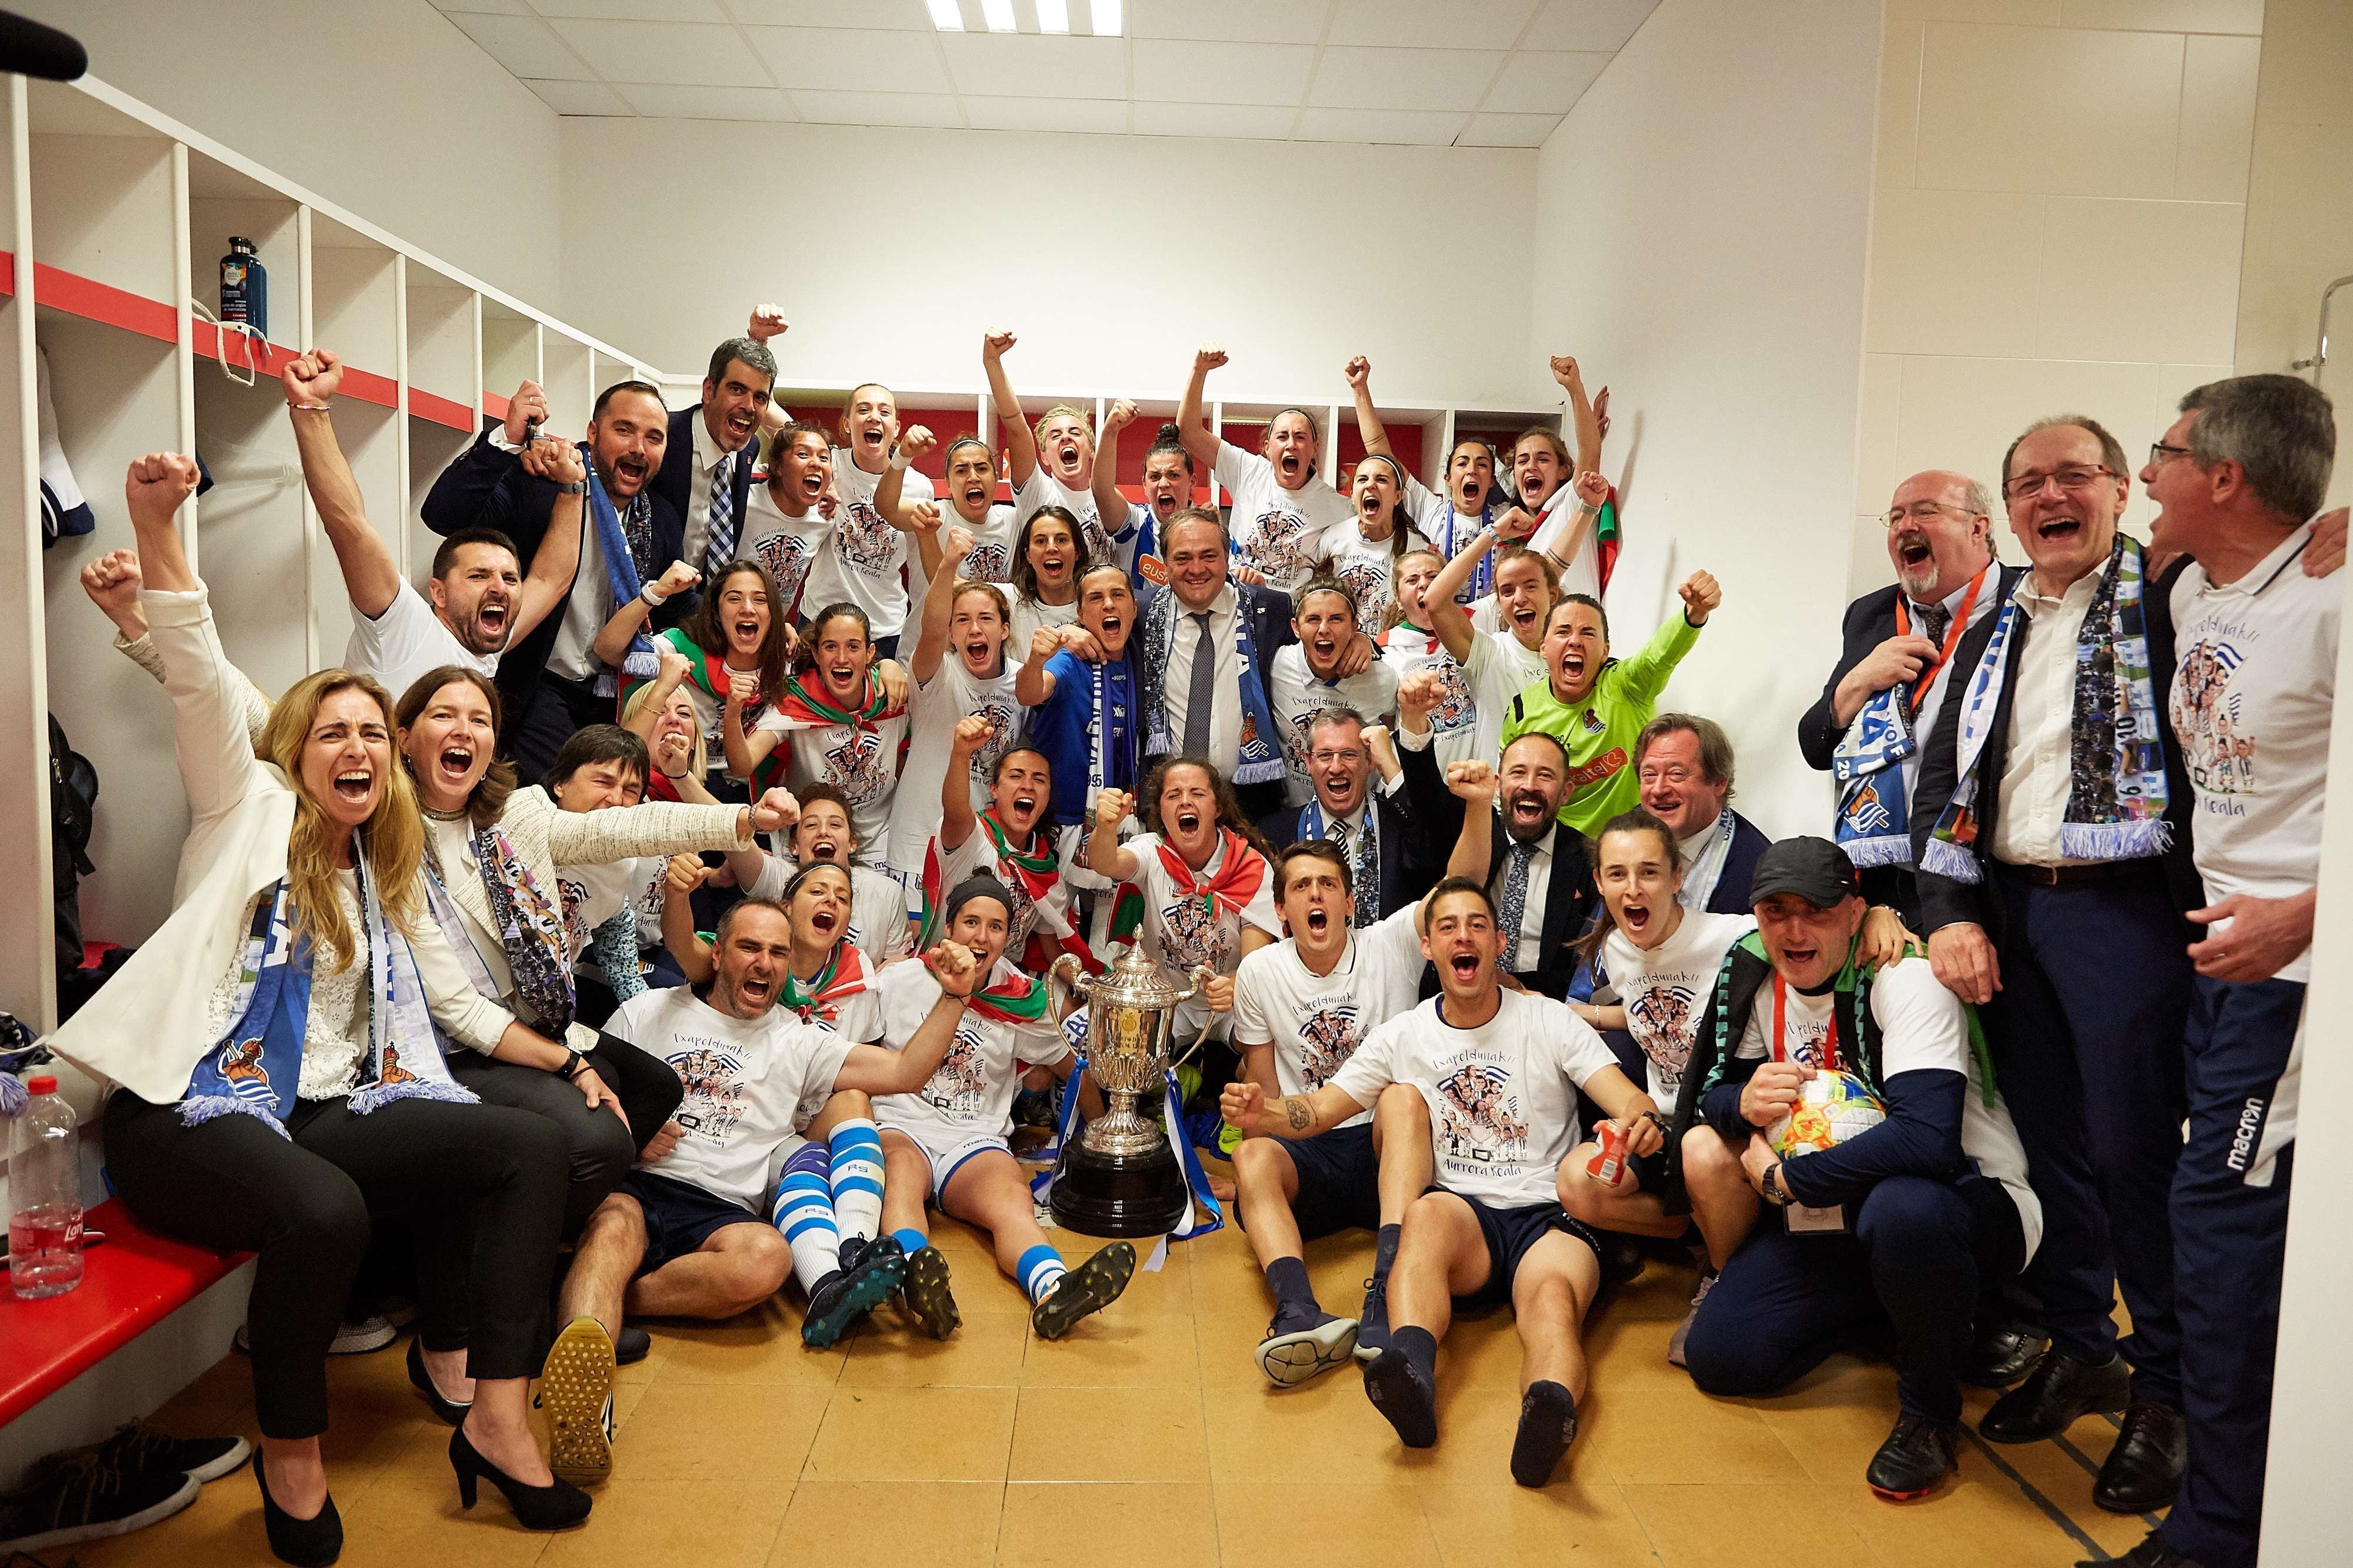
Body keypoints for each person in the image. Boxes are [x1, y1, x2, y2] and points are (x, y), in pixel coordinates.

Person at [57, 454, 595, 1558]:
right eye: (333, 732)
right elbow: (203, 673)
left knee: (526, 1151)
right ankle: (289, 1448)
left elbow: (429, 1005)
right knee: (327, 1213)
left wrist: (553, 1055)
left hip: (324, 1101)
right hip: (186, 1111)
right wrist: (159, 529)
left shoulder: (380, 863)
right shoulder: (242, 810)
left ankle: (495, 1411)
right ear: (294, 752)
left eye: (370, 736)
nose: (356, 749)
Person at [1908, 413, 2196, 1512]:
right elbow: (1945, 779)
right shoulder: (1991, 629)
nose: (2050, 495)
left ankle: (2166, 1389)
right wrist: (1948, 911)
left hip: (2123, 912)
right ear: (2010, 510)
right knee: (2047, 1151)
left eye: (2074, 475)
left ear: (2122, 490)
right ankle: (2086, 1344)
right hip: (2008, 912)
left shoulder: (2174, 601)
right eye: (2028, 483)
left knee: (2133, 1156)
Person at [2101, 373, 2337, 1568]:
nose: (2144, 475)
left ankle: (2220, 1536)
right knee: (2208, 1230)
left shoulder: (2337, 591)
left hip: (2290, 982)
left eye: (2162, 453)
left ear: (2224, 477)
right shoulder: (2192, 582)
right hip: (2216, 965)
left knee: (2220, 1234)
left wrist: (2303, 918)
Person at [1221, 876, 1662, 1487]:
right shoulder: (1405, 1033)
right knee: (1423, 1219)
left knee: (1552, 1305)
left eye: (1477, 925)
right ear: (1428, 946)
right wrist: (1260, 1113)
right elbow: (1321, 1108)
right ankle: (1412, 1380)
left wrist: (1639, 1123)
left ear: (1498, 941)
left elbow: (1627, 1099)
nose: (1463, 935)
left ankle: (1549, 1408)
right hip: (1465, 1220)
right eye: (1448, 925)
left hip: (1547, 1215)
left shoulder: (1550, 1019)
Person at [545, 896, 982, 1481]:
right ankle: (585, 1417)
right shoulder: (648, 1011)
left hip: (723, 1209)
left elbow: (904, 1072)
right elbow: (583, 1085)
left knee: (766, 1260)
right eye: (750, 947)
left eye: (778, 952)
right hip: (641, 1184)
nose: (765, 963)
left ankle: (590, 1292)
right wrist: (629, 1128)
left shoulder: (800, 1039)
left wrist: (955, 995)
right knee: (616, 1226)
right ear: (719, 952)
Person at [1670, 839, 2041, 1504]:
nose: (1792, 928)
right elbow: (1715, 1090)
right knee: (1723, 1358)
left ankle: (1928, 1412)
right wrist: (1742, 1099)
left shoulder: (1903, 974)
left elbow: (1926, 1140)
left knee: (1903, 1209)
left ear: (1854, 912)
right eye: (1775, 909)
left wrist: (1784, 1183)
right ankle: (1908, 1312)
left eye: (1814, 909)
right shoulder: (1753, 968)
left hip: (1966, 1198)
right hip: (1832, 1215)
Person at [1227, 810, 1488, 1382]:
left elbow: (1458, 888)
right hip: (1310, 1147)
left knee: (1399, 1098)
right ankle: (1297, 1310)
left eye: (1328, 884)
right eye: (1300, 886)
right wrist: (1254, 1183)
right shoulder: (1259, 972)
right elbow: (1264, 1097)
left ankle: (1386, 1295)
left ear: (1349, 901)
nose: (1315, 894)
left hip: (1387, 1154)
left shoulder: (1388, 943)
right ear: (1281, 910)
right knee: (1249, 1156)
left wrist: (1472, 804)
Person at [869, 876, 1138, 1340]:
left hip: (973, 1138)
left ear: (1008, 937)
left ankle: (1055, 1289)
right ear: (947, 929)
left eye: (996, 926)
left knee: (1012, 1201)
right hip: (902, 1124)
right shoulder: (897, 981)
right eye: (970, 922)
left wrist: (1108, 1135)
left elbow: (1067, 1065)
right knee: (900, 1182)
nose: (981, 936)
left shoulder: (1022, 997)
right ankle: (918, 1279)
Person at [279, 351, 582, 704]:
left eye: (510, 578)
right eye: (479, 576)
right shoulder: (403, 626)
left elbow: (551, 578)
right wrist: (311, 409)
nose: (500, 587)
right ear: (437, 593)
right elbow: (349, 525)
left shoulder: (486, 648)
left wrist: (573, 487)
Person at [421, 375, 682, 780]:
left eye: (654, 437)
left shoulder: (661, 518)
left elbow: (680, 609)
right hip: (534, 683)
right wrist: (507, 441)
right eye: (624, 430)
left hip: (612, 693)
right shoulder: (542, 480)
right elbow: (442, 515)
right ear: (592, 433)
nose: (638, 448)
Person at [1799, 471, 2014, 924]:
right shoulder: (1872, 614)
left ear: (1979, 527)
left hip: (1987, 870)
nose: (1904, 526)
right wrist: (1857, 683)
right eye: (1895, 517)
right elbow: (1815, 747)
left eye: (1925, 512)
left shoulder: (2026, 599)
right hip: (1887, 872)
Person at [1144, 506, 1353, 823]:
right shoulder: (1142, 616)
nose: (1196, 568)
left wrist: (1362, 641)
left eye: (1209, 556)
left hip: (1253, 802)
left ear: (1228, 557)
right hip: (1170, 803)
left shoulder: (1270, 607)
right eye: (1183, 558)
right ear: (1165, 562)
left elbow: (1320, 646)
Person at [1398, 682, 1597, 999]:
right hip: (1455, 999)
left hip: (1541, 1009)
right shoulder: (1474, 830)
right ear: (1498, 783)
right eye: (1518, 773)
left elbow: (1586, 967)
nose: (1530, 785)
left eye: (1545, 776)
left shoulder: (1588, 860)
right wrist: (1413, 719)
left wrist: (1520, 990)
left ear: (1566, 792)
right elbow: (1425, 798)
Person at [1499, 571, 1721, 834]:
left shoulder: (1627, 687)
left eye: (1588, 633)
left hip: (1630, 839)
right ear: (1543, 647)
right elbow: (1509, 784)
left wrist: (1694, 613)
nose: (1575, 641)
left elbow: (1659, 656)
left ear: (1605, 651)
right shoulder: (1522, 710)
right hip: (1557, 845)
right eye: (1563, 631)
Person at [1085, 757, 1282, 1048]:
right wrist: (1105, 827)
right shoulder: (1151, 850)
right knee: (1112, 1047)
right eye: (1173, 795)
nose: (1185, 802)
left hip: (1232, 1001)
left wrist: (1236, 984)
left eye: (1198, 793)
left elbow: (1256, 959)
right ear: (1161, 811)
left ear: (1217, 808)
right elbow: (1106, 862)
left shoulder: (1250, 867)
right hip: (1167, 1000)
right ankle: (1179, 1079)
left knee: (1272, 1050)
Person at [885, 525, 1022, 875]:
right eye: (962, 621)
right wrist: (947, 566)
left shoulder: (1023, 682)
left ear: (1004, 630)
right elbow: (930, 630)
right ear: (951, 632)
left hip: (985, 847)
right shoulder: (936, 670)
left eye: (986, 619)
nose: (974, 629)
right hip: (918, 847)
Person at [601, 559, 792, 799]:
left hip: (737, 790)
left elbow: (742, 766)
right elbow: (607, 649)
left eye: (760, 600)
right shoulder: (683, 648)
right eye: (734, 599)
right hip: (670, 776)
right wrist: (655, 593)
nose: (748, 608)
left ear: (773, 613)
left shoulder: (782, 673)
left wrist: (734, 710)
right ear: (716, 611)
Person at [670, 783, 912, 972]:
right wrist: (680, 776)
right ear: (794, 846)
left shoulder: (887, 892)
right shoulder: (781, 879)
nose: (824, 832)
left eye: (835, 825)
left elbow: (892, 970)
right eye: (811, 826)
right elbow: (727, 827)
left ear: (851, 843)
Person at [737, 603, 910, 868]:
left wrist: (891, 665)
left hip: (882, 840)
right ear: (816, 654)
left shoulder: (894, 696)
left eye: (853, 647)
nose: (842, 658)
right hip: (809, 838)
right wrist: (732, 712)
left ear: (869, 652)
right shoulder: (794, 702)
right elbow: (743, 763)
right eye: (831, 647)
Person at [1176, 343, 1357, 595]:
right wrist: (1199, 371)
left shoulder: (1339, 507)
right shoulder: (1248, 470)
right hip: (1235, 600)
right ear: (1267, 447)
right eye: (1282, 437)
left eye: (1301, 437)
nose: (1291, 444)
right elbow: (1189, 432)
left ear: (1315, 448)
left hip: (1287, 617)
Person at [924, 715, 1079, 971]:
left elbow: (1053, 949)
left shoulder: (1046, 871)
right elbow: (955, 809)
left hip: (1002, 984)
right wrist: (962, 753)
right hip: (945, 971)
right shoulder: (971, 837)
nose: (1028, 786)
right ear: (994, 789)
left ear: (1048, 794)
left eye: (1039, 780)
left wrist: (1085, 987)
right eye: (1016, 776)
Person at [1255, 708, 1437, 926]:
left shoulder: (1401, 825)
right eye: (1324, 755)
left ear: (1370, 761)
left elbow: (1432, 858)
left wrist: (1389, 763)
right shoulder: (1273, 834)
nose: (1336, 767)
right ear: (1308, 763)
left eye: (1349, 754)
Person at [802, 382, 932, 660]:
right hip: (820, 619)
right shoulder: (828, 465)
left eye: (884, 412)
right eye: (863, 410)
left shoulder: (919, 487)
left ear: (896, 428)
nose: (874, 417)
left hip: (884, 629)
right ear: (847, 424)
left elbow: (921, 567)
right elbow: (785, 435)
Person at [1420, 514, 1561, 768]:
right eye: (1507, 591)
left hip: (1556, 802)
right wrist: (1492, 535)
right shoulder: (1489, 654)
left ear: (1552, 594)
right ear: (1498, 604)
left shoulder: (1570, 659)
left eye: (1530, 586)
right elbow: (1435, 601)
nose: (1519, 599)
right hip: (1495, 801)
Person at [981, 330, 1121, 565]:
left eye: (1075, 432)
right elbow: (1016, 424)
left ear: (1092, 450)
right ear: (1044, 457)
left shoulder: (1108, 498)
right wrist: (992, 363)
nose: (1066, 438)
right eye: (1055, 436)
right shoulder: (1038, 492)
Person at [1267, 576, 1399, 807]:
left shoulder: (1381, 678)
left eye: (1336, 619)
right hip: (1296, 813)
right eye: (1313, 619)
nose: (1324, 629)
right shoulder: (1276, 665)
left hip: (1363, 813)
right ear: (1295, 628)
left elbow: (1390, 728)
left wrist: (1367, 643)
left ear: (1354, 626)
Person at [657, 332, 774, 583]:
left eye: (760, 397)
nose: (749, 406)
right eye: (737, 389)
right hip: (650, 599)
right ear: (709, 390)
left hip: (705, 604)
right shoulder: (663, 435)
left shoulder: (749, 447)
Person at [1632, 714, 1772, 913]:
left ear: (1719, 782)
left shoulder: (1757, 870)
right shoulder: (1625, 834)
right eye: (1649, 775)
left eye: (1676, 774)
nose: (1658, 790)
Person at [877, 427, 1019, 617]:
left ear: (996, 478)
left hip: (985, 643)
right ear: (948, 484)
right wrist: (902, 457)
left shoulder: (1014, 520)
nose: (973, 477)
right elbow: (886, 507)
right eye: (962, 471)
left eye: (982, 468)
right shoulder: (934, 515)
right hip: (925, 643)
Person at [1376, 548, 1479, 766]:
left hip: (1477, 772)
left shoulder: (1477, 624)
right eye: (1412, 580)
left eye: (1433, 577)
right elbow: (1386, 721)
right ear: (1398, 598)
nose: (1424, 584)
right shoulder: (1386, 649)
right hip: (1420, 773)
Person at [1317, 444, 1431, 630]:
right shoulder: (1332, 538)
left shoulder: (1416, 549)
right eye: (1362, 479)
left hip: (1391, 649)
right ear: (1352, 494)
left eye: (1381, 480)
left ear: (1397, 496)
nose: (1371, 485)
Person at [736, 421, 836, 628]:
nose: (816, 463)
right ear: (777, 466)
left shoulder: (824, 519)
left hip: (768, 630)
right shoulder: (743, 501)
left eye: (824, 457)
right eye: (803, 454)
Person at [1092, 402, 1204, 583]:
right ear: (1144, 484)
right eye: (1155, 476)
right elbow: (1102, 491)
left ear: (1192, 482)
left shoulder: (1210, 530)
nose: (1164, 484)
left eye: (1173, 475)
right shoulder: (1135, 522)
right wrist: (1110, 431)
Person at [1001, 503, 1089, 653]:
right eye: (1041, 541)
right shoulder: (1010, 599)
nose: (1051, 548)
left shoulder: (1096, 602)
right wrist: (950, 561)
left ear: (1077, 551)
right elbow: (954, 588)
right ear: (1028, 555)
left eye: (1061, 540)